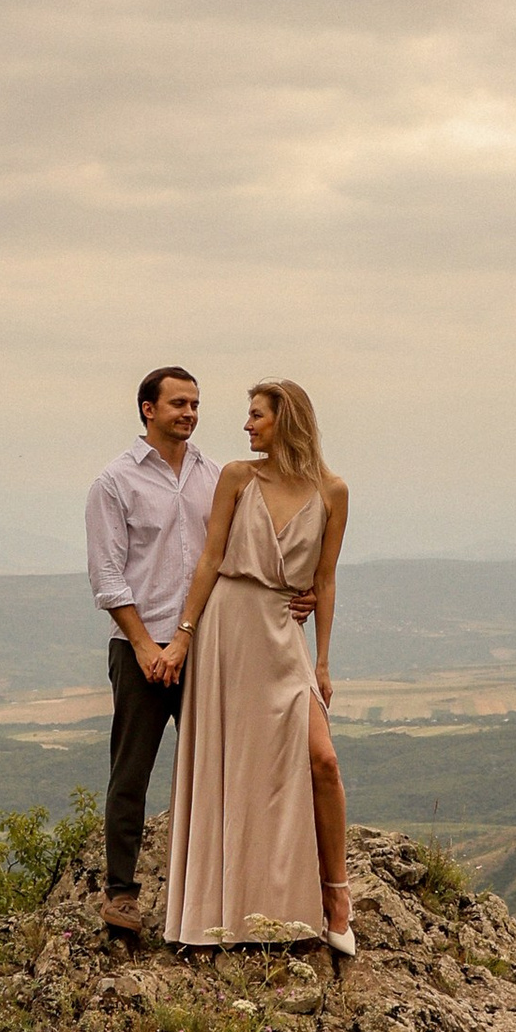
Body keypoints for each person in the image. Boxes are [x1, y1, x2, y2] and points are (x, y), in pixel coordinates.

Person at [165, 379, 355, 958]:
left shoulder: (333, 490)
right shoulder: (238, 478)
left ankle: (336, 897)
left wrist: (322, 661)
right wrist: (184, 635)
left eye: (256, 416)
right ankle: (227, 914)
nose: (246, 427)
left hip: (283, 631)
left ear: (286, 419)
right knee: (235, 769)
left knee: (321, 759)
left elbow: (324, 581)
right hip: (228, 629)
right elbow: (210, 559)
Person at [85, 364, 218, 940]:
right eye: (178, 404)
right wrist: (145, 645)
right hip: (138, 649)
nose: (189, 413)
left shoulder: (215, 475)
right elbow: (108, 575)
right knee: (130, 774)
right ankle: (121, 896)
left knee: (212, 770)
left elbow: (232, 556)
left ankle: (212, 893)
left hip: (201, 646)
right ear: (148, 408)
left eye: (194, 404)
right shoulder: (114, 482)